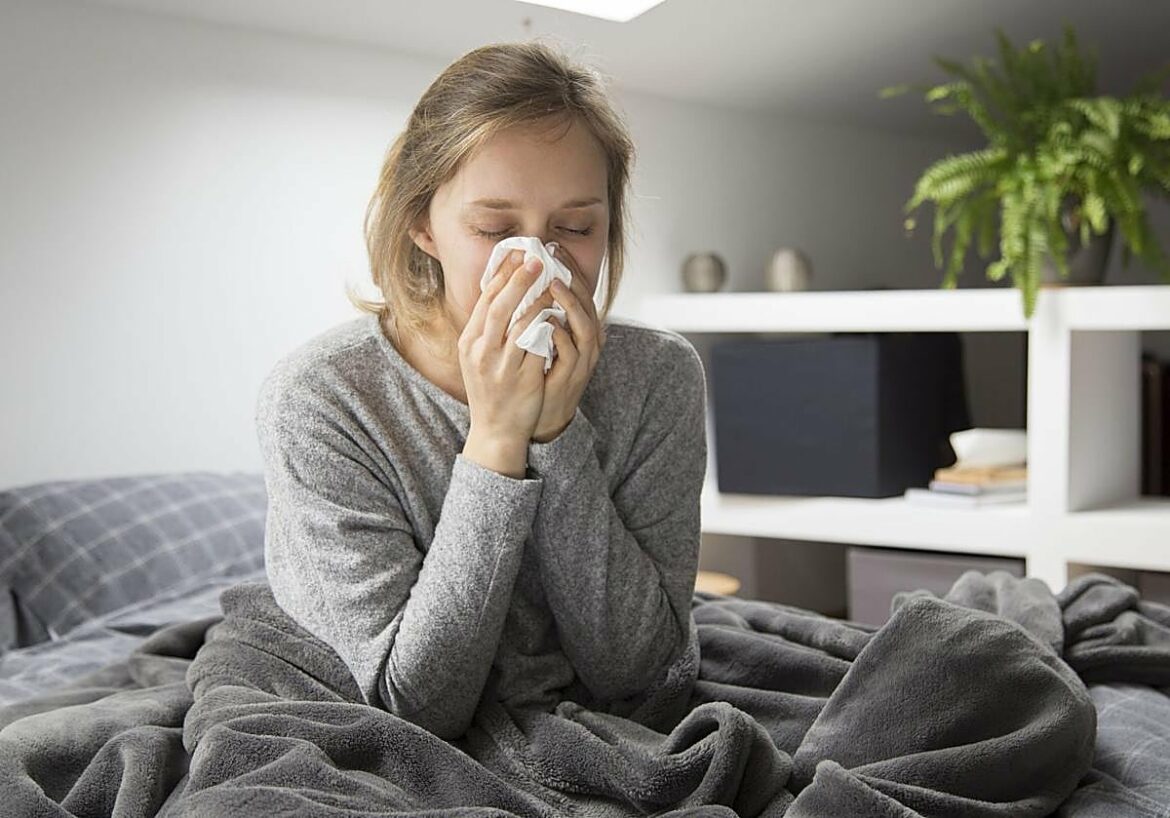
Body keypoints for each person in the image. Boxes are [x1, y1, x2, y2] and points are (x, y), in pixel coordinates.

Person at [255, 39, 708, 744]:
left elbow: (641, 675)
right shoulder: (322, 399)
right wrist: (497, 439)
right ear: (421, 223)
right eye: (494, 228)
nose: (540, 262)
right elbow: (417, 706)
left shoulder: (658, 375)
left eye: (576, 227)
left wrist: (557, 436)